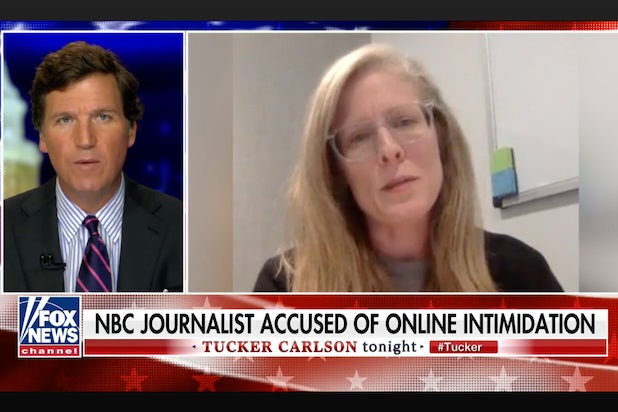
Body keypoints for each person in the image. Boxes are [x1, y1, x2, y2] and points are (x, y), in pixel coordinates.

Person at [253, 43, 564, 293]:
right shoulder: (285, 287)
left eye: (404, 121)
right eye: (359, 137)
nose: (389, 150)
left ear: (441, 137)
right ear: (335, 170)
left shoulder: (520, 273)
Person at [4, 40, 183, 293]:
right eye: (65, 120)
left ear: (131, 130)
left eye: (102, 117)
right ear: (42, 137)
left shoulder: (184, 229)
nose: (85, 140)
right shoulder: (4, 229)